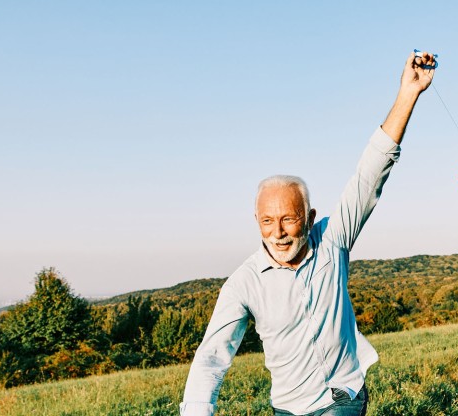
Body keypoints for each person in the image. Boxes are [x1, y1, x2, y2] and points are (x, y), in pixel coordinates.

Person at [179, 51, 437, 416]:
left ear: (310, 216)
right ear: (256, 220)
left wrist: (407, 94)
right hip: (287, 408)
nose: (279, 233)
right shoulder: (243, 284)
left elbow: (372, 171)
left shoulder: (332, 240)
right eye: (267, 221)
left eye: (289, 219)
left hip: (342, 397)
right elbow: (211, 356)